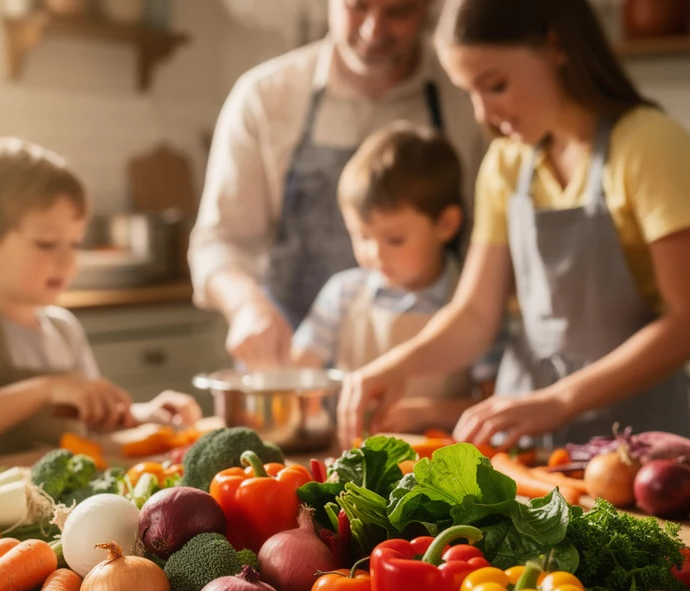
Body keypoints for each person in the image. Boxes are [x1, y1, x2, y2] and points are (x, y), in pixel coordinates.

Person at [338, 0, 690, 449]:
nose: (483, 115)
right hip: (524, 430)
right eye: (470, 92)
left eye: (496, 85)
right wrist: (395, 366)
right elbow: (476, 314)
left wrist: (560, 400)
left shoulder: (648, 144)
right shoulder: (507, 163)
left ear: (557, 47)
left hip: (633, 434)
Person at [190, 0, 486, 369]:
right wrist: (247, 306)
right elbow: (220, 240)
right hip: (291, 370)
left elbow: (492, 247)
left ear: (432, 8)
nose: (372, 31)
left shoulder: (470, 98)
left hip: (432, 383)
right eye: (357, 7)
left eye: (399, 12)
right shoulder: (265, 96)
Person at [0, 138, 201, 469]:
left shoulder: (64, 328)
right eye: (47, 244)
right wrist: (46, 389)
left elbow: (87, 420)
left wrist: (142, 415)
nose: (67, 261)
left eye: (75, 243)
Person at [290, 121, 499, 432]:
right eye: (360, 236)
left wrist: (426, 413)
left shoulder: (476, 301)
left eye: (395, 239)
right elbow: (298, 375)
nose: (374, 253)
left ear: (446, 224)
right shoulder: (342, 294)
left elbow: (494, 404)